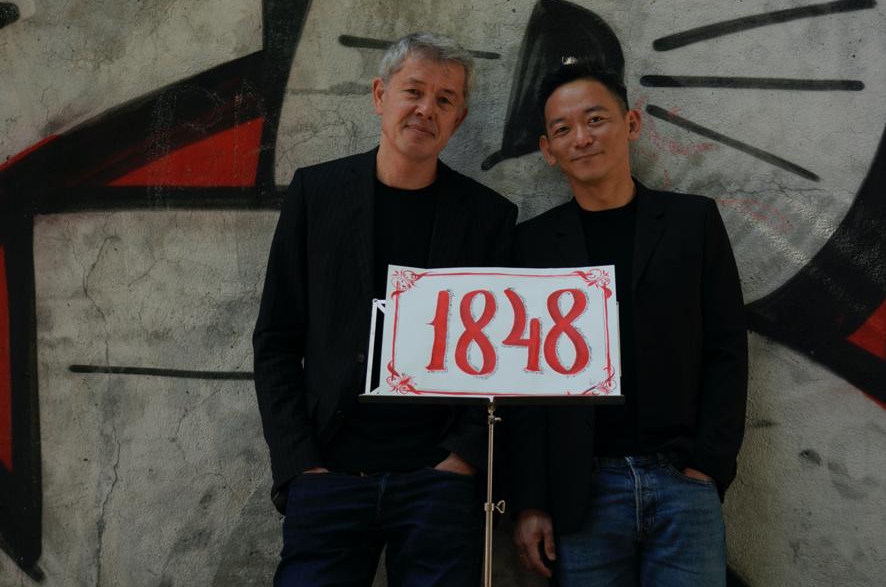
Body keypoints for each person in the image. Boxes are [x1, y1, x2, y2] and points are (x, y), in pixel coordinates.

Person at [253, 32, 517, 586]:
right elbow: (276, 339)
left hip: (437, 483)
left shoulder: (488, 217)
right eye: (413, 91)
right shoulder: (316, 193)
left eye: (444, 100)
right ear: (380, 95)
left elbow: (503, 359)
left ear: (459, 119)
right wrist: (300, 465)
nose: (426, 109)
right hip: (328, 473)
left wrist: (462, 461)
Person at [509, 61, 747, 586]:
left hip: (682, 481)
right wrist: (530, 501)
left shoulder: (693, 222)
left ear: (631, 124)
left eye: (595, 119)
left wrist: (708, 466)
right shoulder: (532, 245)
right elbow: (523, 388)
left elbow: (727, 348)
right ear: (548, 149)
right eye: (563, 129)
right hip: (581, 493)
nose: (581, 138)